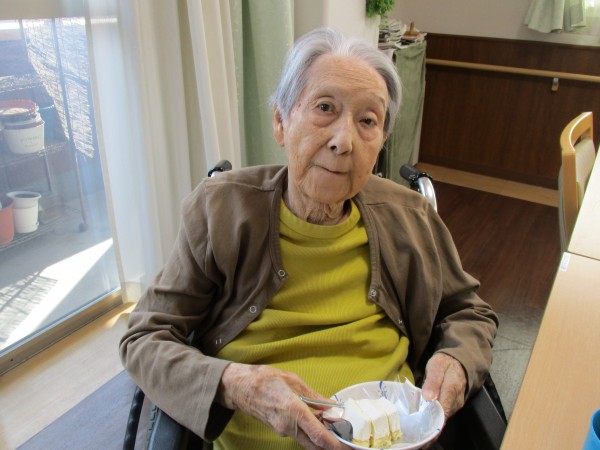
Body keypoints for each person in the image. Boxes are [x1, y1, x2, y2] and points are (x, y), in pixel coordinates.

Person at [120, 28, 498, 450]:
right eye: (324, 108)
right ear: (281, 122)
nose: (343, 141)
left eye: (367, 121)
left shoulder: (409, 216)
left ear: (381, 143)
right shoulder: (219, 211)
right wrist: (233, 384)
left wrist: (456, 359)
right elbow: (144, 338)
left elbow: (468, 311)